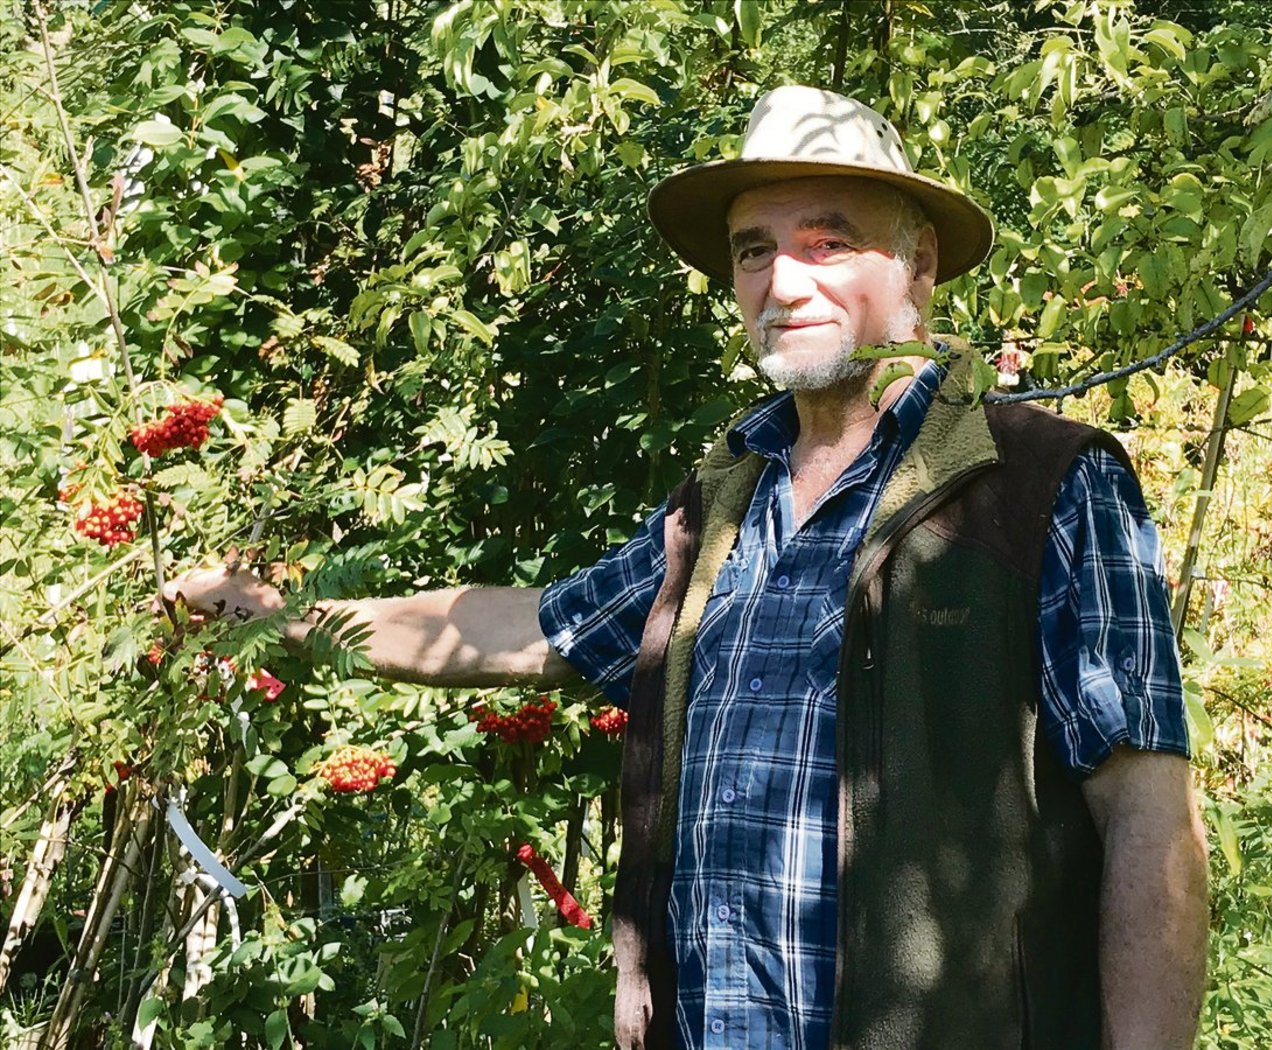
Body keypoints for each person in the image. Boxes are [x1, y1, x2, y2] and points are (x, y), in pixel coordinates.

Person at [168, 86, 1208, 1049]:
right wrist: (286, 615)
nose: (781, 282)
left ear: (919, 266)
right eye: (753, 251)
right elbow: (535, 629)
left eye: (826, 242)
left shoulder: (1041, 485)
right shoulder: (721, 501)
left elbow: (1145, 818)